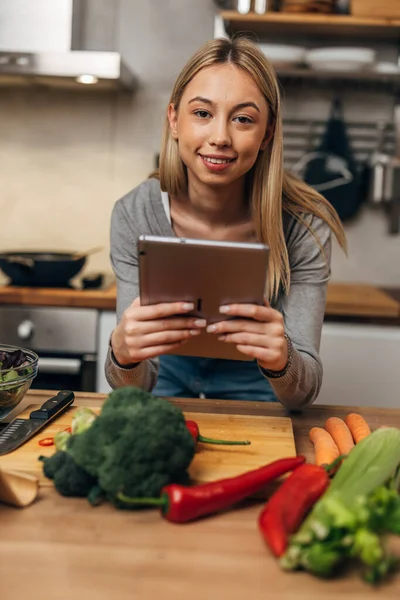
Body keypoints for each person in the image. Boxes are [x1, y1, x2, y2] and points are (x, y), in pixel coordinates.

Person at [105, 36, 346, 409]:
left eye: (243, 119)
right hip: (165, 388)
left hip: (259, 395)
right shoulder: (134, 213)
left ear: (267, 134)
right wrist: (122, 353)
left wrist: (282, 359)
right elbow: (132, 389)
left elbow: (302, 393)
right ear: (174, 120)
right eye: (202, 113)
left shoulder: (304, 226)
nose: (220, 138)